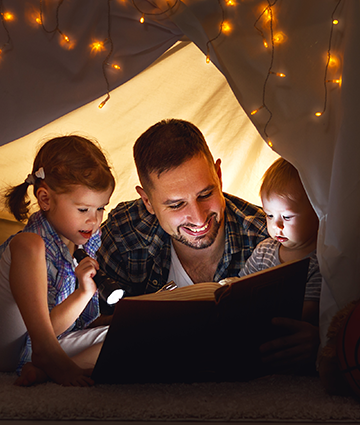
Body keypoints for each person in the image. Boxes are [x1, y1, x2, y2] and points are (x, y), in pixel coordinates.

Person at [98, 118, 318, 372]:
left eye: (205, 194)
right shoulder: (125, 233)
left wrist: (318, 342)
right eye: (177, 204)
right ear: (147, 201)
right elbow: (85, 325)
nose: (199, 217)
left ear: (219, 176)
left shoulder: (269, 238)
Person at [0, 136, 114, 387]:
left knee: (128, 338)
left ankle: (45, 370)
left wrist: (86, 294)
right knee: (27, 244)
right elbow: (40, 330)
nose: (94, 220)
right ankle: (49, 356)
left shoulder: (88, 243)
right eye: (84, 210)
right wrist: (82, 294)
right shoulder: (35, 241)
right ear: (45, 199)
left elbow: (55, 327)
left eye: (101, 209)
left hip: (46, 344)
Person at [240, 158, 337, 329]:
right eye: (269, 215)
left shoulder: (319, 260)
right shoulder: (263, 251)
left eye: (287, 217)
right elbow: (240, 286)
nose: (277, 226)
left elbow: (308, 311)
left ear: (316, 212)